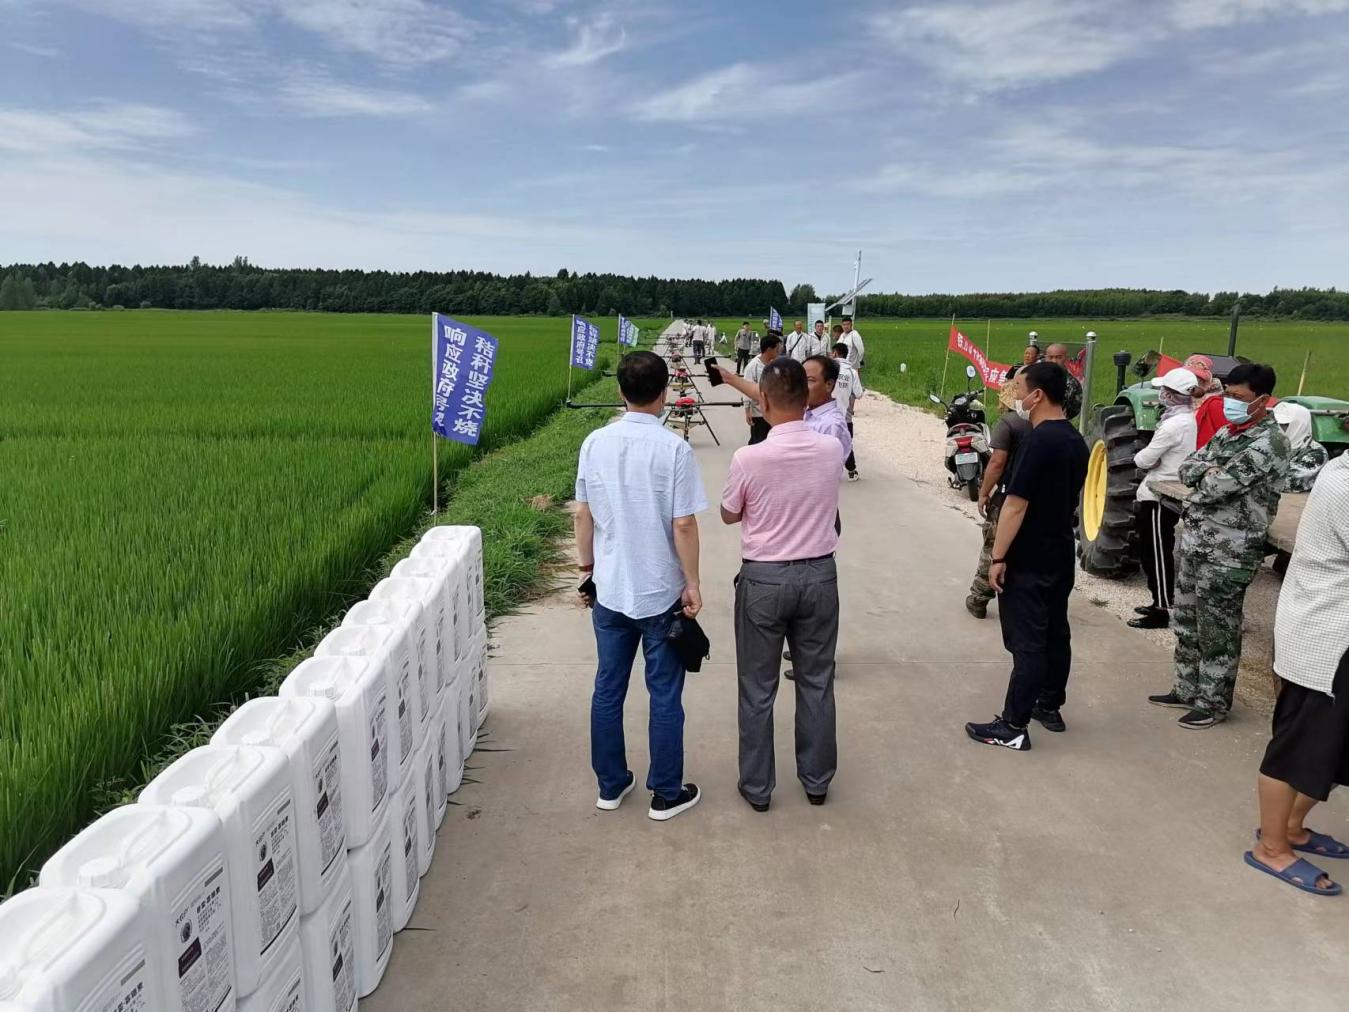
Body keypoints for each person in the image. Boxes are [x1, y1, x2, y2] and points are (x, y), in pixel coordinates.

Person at [573, 350, 706, 821]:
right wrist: (692, 583)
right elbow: (683, 523)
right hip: (660, 593)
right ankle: (666, 793)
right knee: (664, 693)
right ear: (665, 392)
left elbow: (583, 514)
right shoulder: (674, 449)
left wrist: (587, 569)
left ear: (620, 391)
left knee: (608, 688)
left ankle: (611, 785)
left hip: (610, 589)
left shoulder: (594, 443)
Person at [721, 357, 845, 811]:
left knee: (757, 688)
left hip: (765, 580)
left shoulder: (749, 457)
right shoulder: (830, 449)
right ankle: (816, 781)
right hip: (819, 575)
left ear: (764, 401)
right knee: (816, 681)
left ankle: (758, 788)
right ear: (806, 397)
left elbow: (729, 513)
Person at [1148, 363, 1291, 728]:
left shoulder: (1269, 443)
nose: (1230, 402)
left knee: (1218, 630)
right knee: (1186, 619)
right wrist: (1206, 472)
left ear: (1262, 400)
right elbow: (1187, 469)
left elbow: (1217, 487)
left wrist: (1208, 474)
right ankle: (1186, 688)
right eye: (1227, 394)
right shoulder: (1229, 433)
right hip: (1198, 540)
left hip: (1231, 551)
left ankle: (1212, 703)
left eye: (1239, 397)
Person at [965, 362, 1088, 751]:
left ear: (1038, 395)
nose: (1015, 395)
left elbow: (1015, 505)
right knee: (1055, 631)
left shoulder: (1037, 442)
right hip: (1059, 550)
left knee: (1028, 640)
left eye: (1019, 388)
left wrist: (998, 557)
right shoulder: (1076, 440)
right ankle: (1049, 705)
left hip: (1029, 554)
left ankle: (1013, 724)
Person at [1246, 456, 1349, 895]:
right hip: (1325, 639)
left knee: (1334, 746)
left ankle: (1291, 826)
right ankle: (1271, 847)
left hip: (1336, 636)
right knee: (1296, 748)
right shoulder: (1345, 484)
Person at [1129, 367, 1200, 630]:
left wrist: (1145, 458)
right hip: (1161, 490)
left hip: (1159, 495)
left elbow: (1143, 459)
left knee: (1156, 554)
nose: (1160, 395)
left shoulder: (1172, 425)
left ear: (1171, 394)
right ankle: (1157, 600)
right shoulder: (1185, 419)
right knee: (1153, 551)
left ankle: (1160, 609)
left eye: (1164, 391)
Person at [966, 365, 1031, 619]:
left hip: (1006, 495)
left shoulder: (1009, 423)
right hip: (1035, 497)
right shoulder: (1044, 424)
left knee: (993, 546)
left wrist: (984, 492)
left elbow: (996, 462)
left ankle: (979, 598)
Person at [1273, 400, 1329, 492]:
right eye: (1276, 423)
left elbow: (1291, 483)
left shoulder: (1316, 454)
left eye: (1284, 425)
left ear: (1300, 426)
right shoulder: (1272, 444)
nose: (1278, 428)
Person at [830, 342, 863, 482]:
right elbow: (859, 393)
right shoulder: (852, 372)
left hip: (828, 412)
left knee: (827, 442)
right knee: (846, 442)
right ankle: (851, 471)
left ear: (835, 353)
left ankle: (828, 471)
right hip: (845, 414)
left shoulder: (828, 369)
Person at [743, 335, 781, 445]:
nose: (779, 351)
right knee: (759, 441)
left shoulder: (775, 364)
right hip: (759, 412)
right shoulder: (753, 366)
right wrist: (747, 410)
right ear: (769, 349)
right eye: (777, 349)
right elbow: (747, 388)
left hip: (773, 411)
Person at [1043, 343, 1082, 422]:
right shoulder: (1036, 376)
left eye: (1058, 357)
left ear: (1066, 359)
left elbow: (1072, 410)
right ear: (1045, 358)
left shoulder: (1071, 383)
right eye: (1050, 357)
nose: (1054, 361)